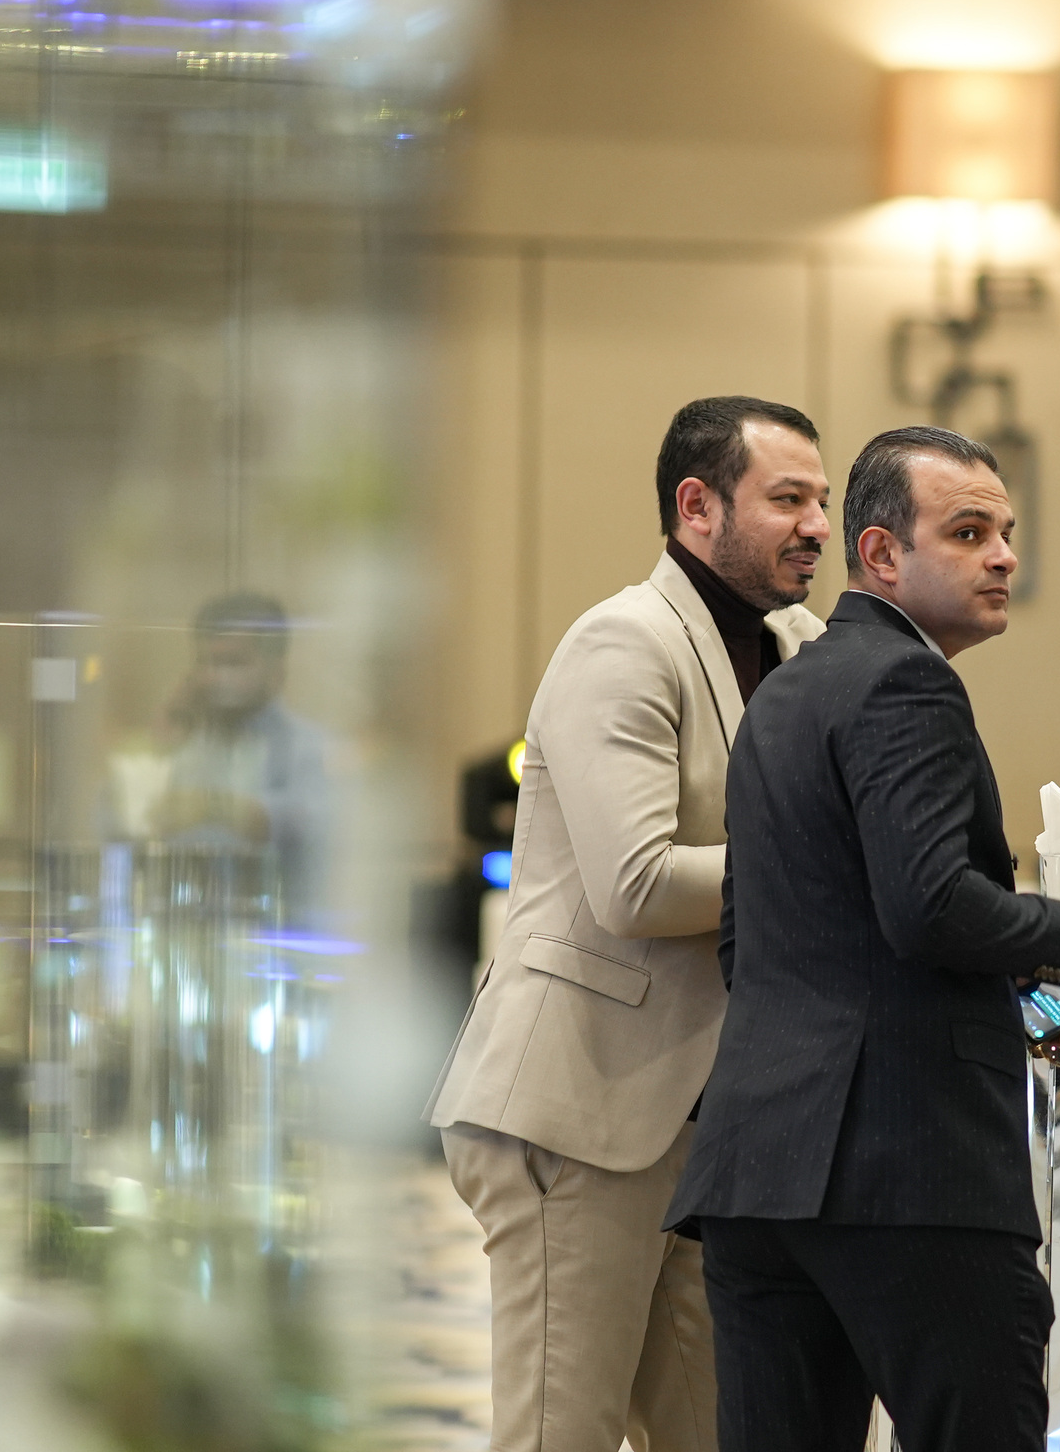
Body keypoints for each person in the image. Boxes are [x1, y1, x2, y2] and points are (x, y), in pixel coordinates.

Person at [664, 426, 1060, 1452]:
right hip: (909, 1168)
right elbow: (929, 906)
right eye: (969, 533)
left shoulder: (784, 689)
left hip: (759, 1172)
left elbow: (750, 943)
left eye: (1006, 532)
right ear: (882, 554)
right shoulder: (906, 681)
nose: (1004, 556)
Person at [425, 396, 832, 1452]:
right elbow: (638, 886)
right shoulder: (621, 641)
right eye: (789, 499)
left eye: (824, 502)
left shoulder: (802, 644)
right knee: (562, 1433)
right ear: (698, 506)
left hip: (709, 1122)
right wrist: (823, 870)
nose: (818, 527)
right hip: (580, 1106)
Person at [151, 591, 332, 928]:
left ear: (277, 670)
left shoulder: (309, 747)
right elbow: (130, 825)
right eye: (204, 662)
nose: (213, 677)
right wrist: (165, 742)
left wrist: (212, 808)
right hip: (189, 934)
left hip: (281, 937)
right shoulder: (186, 746)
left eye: (232, 663)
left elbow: (305, 827)